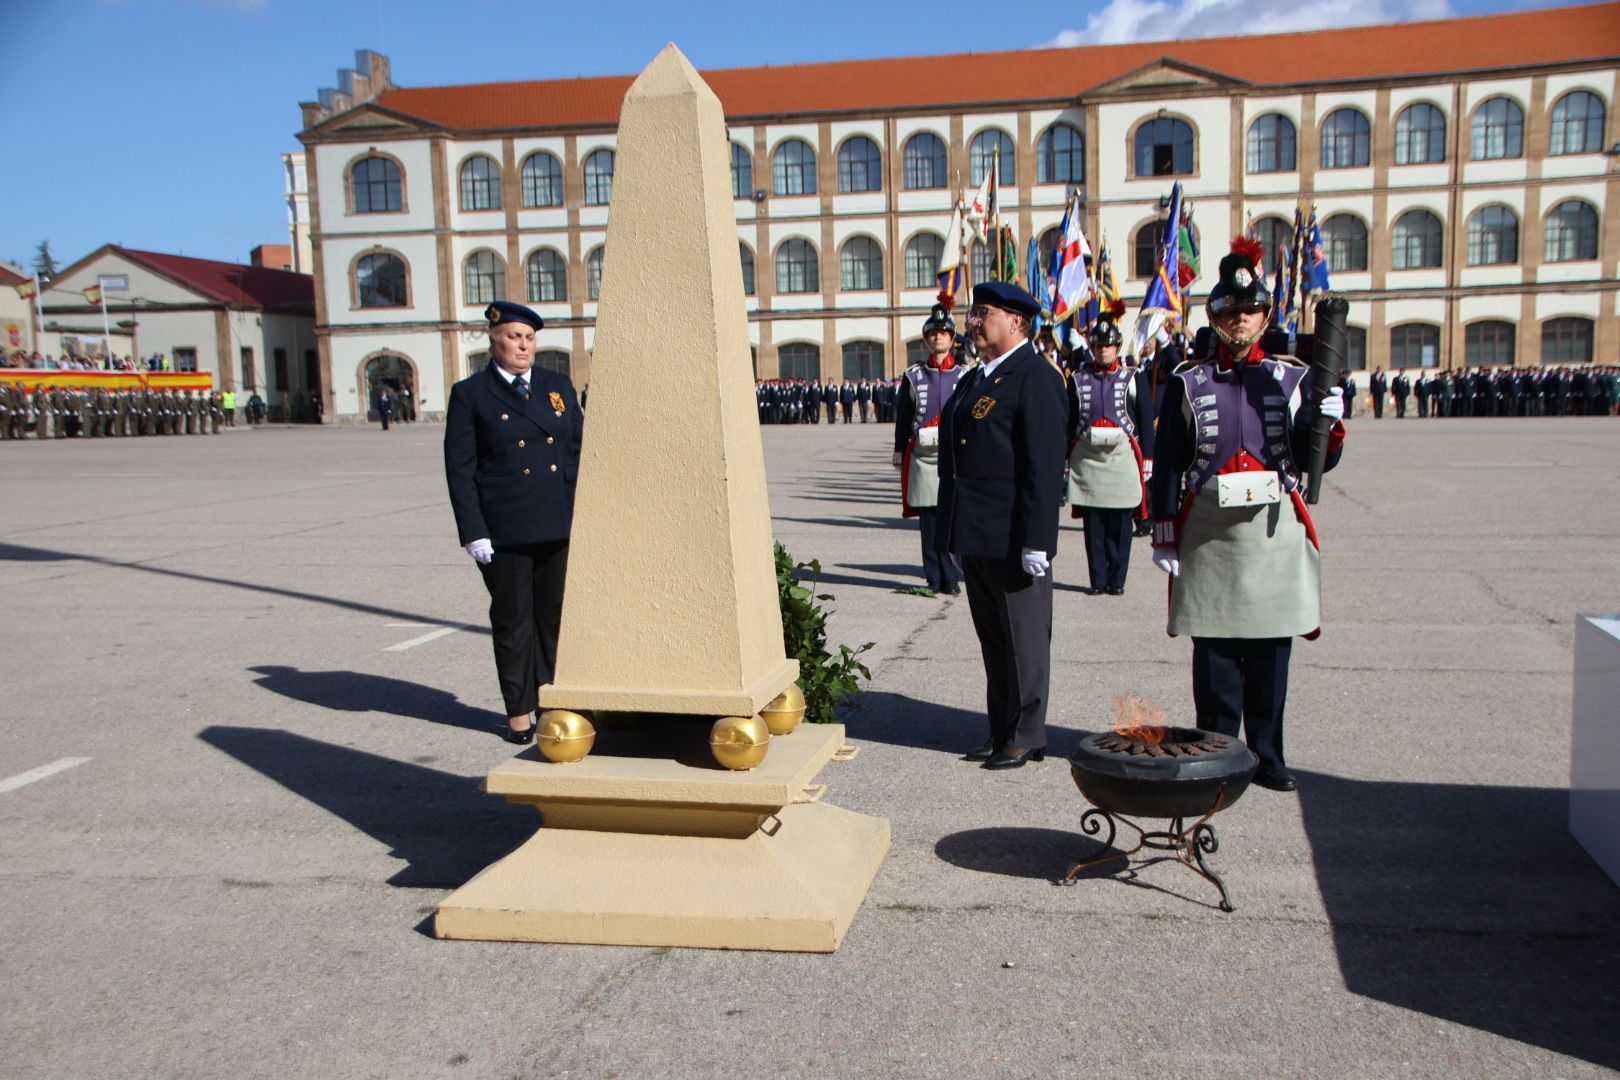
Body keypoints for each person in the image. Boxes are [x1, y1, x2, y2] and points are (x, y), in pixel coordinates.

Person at [1148, 237, 1346, 793]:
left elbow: (1319, 458)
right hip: (1209, 527)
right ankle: (1215, 750)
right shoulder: (1189, 379)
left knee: (1268, 650)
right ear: (1215, 317)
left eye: (1250, 311)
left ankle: (1267, 754)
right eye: (1230, 312)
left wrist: (1329, 424)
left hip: (1270, 527)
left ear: (1264, 315)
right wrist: (1164, 533)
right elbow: (1168, 462)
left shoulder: (1293, 377)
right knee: (1212, 652)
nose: (1240, 321)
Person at [937, 281, 1068, 770]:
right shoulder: (977, 377)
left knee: (1025, 641)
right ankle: (1000, 730)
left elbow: (1042, 464)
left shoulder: (1035, 376)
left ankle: (1028, 734)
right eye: (973, 312)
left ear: (1016, 321)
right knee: (995, 642)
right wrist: (952, 532)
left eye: (983, 312)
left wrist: (1039, 539)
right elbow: (957, 459)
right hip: (977, 535)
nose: (972, 321)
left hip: (1015, 537)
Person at [444, 300, 583, 744]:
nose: (523, 346)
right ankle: (519, 712)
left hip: (556, 521)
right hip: (504, 529)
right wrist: (473, 531)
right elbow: (460, 469)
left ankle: (551, 702)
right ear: (494, 340)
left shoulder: (555, 385)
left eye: (529, 338)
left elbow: (577, 451)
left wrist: (584, 512)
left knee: (553, 617)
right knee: (512, 621)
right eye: (513, 337)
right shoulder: (471, 394)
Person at [1065, 315, 1154, 596]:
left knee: (1120, 524)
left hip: (1122, 458)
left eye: (1109, 345)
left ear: (1117, 347)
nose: (1104, 350)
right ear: (1092, 348)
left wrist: (1149, 458)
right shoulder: (1078, 379)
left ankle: (1117, 580)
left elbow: (1145, 417)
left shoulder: (1133, 377)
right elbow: (1069, 421)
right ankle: (1097, 580)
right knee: (1094, 527)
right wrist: (1065, 459)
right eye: (1099, 345)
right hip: (1089, 458)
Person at [892, 304, 972, 595]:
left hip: (952, 455)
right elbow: (904, 415)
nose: (939, 338)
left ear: (952, 338)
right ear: (927, 339)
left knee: (951, 517)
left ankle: (951, 575)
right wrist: (899, 450)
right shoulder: (914, 375)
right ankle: (933, 574)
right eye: (934, 334)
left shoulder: (965, 375)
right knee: (929, 519)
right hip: (923, 455)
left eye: (944, 333)